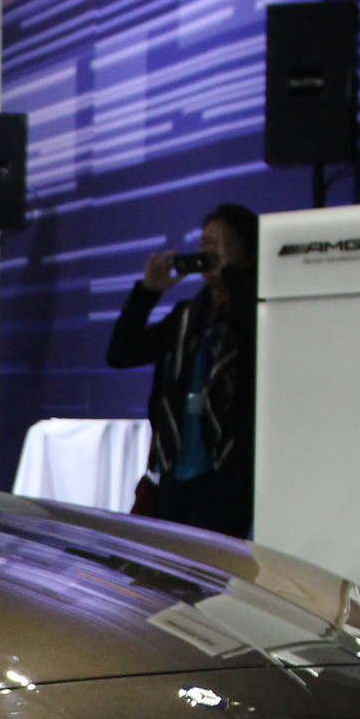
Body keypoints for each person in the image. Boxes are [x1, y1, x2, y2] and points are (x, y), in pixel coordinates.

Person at [106, 201, 260, 539]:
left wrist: (233, 276)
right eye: (205, 243)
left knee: (208, 577)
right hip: (175, 471)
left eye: (224, 243)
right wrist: (147, 293)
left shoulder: (256, 315)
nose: (210, 252)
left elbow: (250, 329)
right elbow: (121, 354)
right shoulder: (187, 317)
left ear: (249, 254)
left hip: (225, 477)